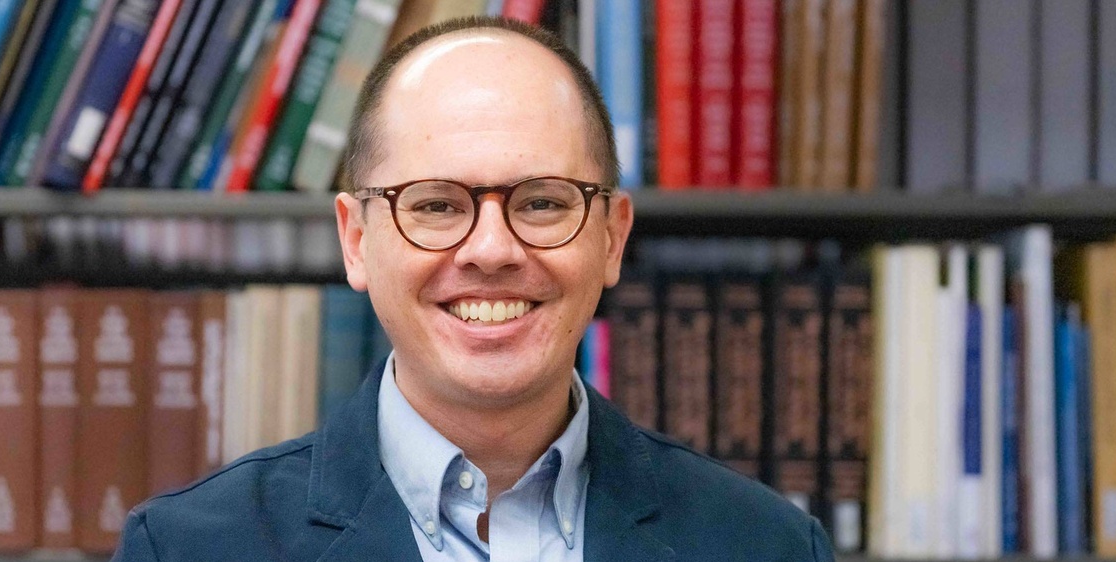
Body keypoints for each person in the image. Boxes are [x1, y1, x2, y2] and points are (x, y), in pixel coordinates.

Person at [113, 16, 833, 561]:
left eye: (544, 202)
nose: (492, 249)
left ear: (612, 237)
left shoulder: (767, 544)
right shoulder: (184, 549)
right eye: (435, 205)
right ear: (356, 241)